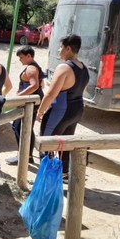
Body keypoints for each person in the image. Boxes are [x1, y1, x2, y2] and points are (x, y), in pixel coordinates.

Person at [36, 34, 89, 179]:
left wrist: (40, 111)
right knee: (66, 141)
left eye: (60, 47)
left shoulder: (64, 67)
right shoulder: (83, 68)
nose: (59, 50)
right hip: (77, 110)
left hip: (61, 110)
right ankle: (64, 173)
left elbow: (51, 94)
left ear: (68, 48)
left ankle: (45, 177)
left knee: (46, 141)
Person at [7, 46, 44, 165]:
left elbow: (34, 85)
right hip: (31, 101)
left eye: (21, 57)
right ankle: (27, 156)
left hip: (28, 102)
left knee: (18, 127)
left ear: (29, 56)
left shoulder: (31, 69)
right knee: (27, 127)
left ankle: (23, 156)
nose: (20, 60)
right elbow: (41, 85)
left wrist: (19, 96)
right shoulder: (34, 66)